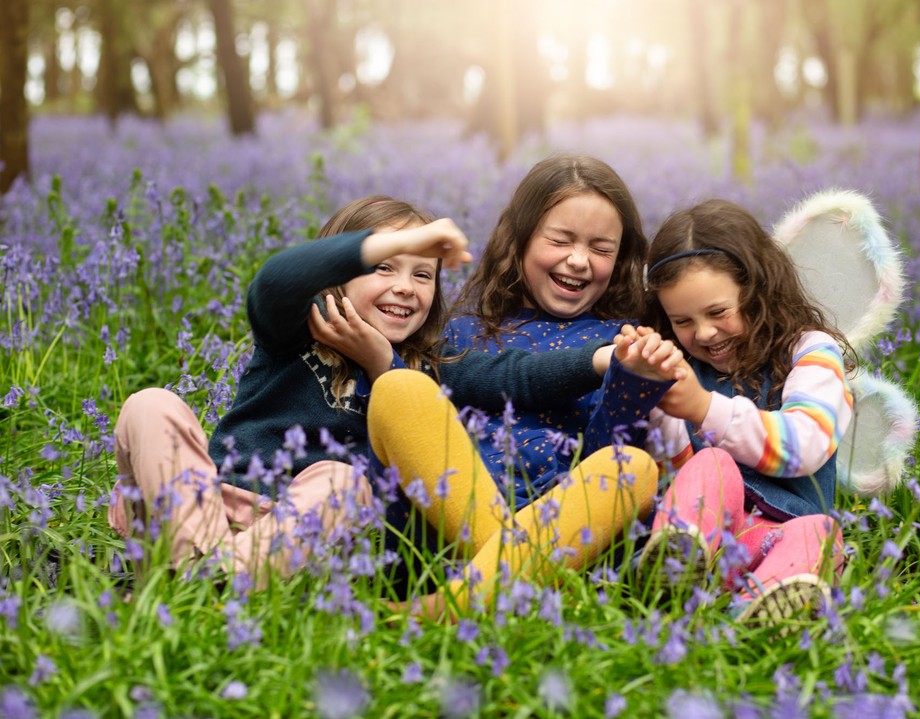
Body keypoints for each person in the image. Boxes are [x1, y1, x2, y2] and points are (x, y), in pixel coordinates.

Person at [108, 196, 618, 588]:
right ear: (334, 276)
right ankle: (203, 571)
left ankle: (198, 587)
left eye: (423, 274)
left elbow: (517, 377)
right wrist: (381, 241)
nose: (406, 286)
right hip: (207, 508)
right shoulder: (294, 334)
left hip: (305, 536)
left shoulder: (433, 367)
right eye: (384, 267)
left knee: (343, 482)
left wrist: (605, 357)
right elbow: (273, 281)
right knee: (150, 403)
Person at [358, 156, 684, 618]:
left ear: (623, 257)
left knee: (631, 467)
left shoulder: (625, 341)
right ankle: (510, 583)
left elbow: (597, 456)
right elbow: (421, 436)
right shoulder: (464, 330)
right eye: (560, 239)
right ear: (520, 239)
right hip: (442, 538)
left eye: (601, 248)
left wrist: (634, 385)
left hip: (561, 534)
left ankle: (452, 604)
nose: (578, 259)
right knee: (398, 389)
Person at [632, 198, 854, 630]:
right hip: (711, 544)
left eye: (718, 312)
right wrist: (654, 398)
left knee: (822, 533)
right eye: (682, 321)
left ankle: (757, 606)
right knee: (710, 464)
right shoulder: (681, 370)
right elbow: (670, 477)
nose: (705, 333)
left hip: (781, 536)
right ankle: (676, 573)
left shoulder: (809, 352)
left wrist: (704, 408)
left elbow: (805, 444)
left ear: (758, 291)